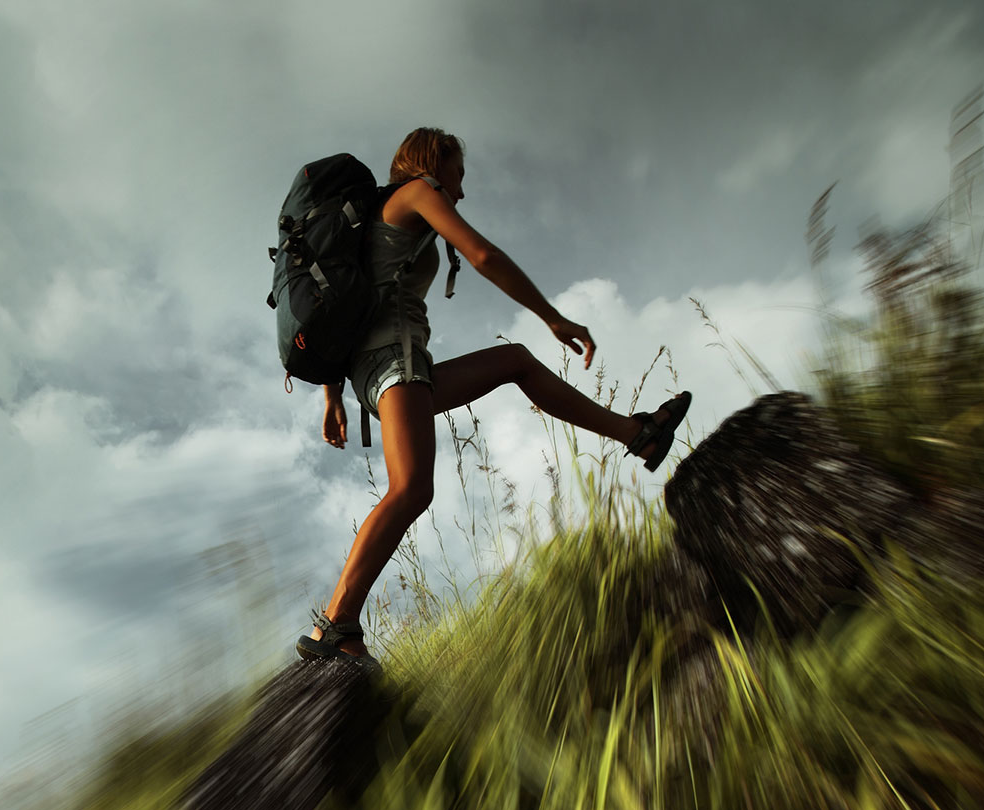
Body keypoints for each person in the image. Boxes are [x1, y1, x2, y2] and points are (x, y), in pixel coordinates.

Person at [296, 127, 691, 671]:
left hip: (385, 368)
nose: (460, 191)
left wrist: (333, 396)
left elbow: (343, 306)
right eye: (458, 175)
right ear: (434, 163)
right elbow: (480, 253)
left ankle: (639, 434)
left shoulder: (377, 218)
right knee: (411, 489)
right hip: (396, 361)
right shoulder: (415, 193)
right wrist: (553, 315)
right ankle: (334, 624)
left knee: (515, 362)